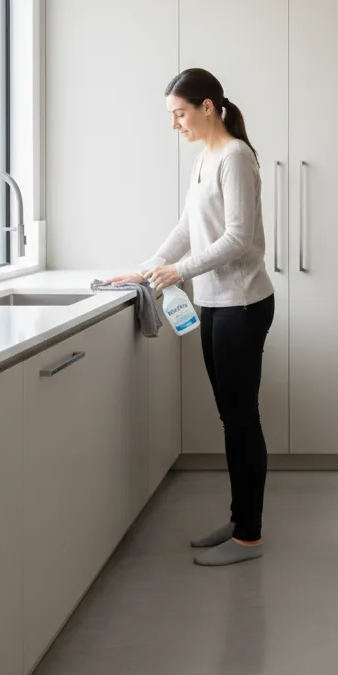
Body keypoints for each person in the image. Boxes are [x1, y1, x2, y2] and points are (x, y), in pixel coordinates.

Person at [105, 68, 275, 567]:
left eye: (179, 113)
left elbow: (238, 239)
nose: (174, 123)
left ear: (206, 107)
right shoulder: (206, 158)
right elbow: (189, 226)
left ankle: (250, 536)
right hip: (216, 303)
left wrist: (176, 270)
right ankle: (240, 519)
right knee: (231, 417)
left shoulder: (236, 157)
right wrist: (145, 268)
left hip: (244, 303)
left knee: (242, 419)